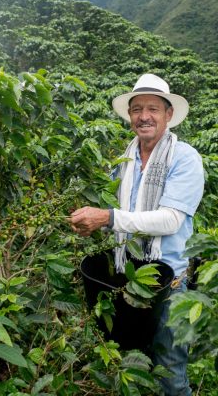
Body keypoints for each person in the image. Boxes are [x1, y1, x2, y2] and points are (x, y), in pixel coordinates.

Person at [68, 73, 204, 396]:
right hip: (130, 275)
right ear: (129, 115)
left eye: (153, 109)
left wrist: (108, 218)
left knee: (170, 373)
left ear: (168, 115)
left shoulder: (185, 158)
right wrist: (95, 223)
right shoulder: (125, 160)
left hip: (171, 283)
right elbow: (118, 214)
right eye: (137, 109)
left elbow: (170, 220)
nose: (144, 116)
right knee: (132, 359)